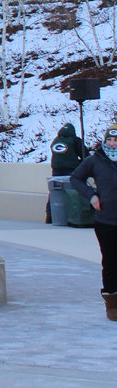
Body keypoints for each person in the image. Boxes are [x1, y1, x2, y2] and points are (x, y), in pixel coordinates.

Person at [70, 123, 117, 321]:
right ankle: (112, 305)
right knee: (111, 261)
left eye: (116, 141)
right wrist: (91, 196)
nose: (113, 144)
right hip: (106, 220)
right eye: (110, 140)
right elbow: (76, 178)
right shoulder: (95, 160)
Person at [48, 123, 85, 222]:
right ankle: (73, 217)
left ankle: (50, 216)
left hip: (56, 171)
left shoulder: (56, 140)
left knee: (54, 193)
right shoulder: (75, 140)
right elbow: (85, 156)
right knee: (72, 194)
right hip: (71, 171)